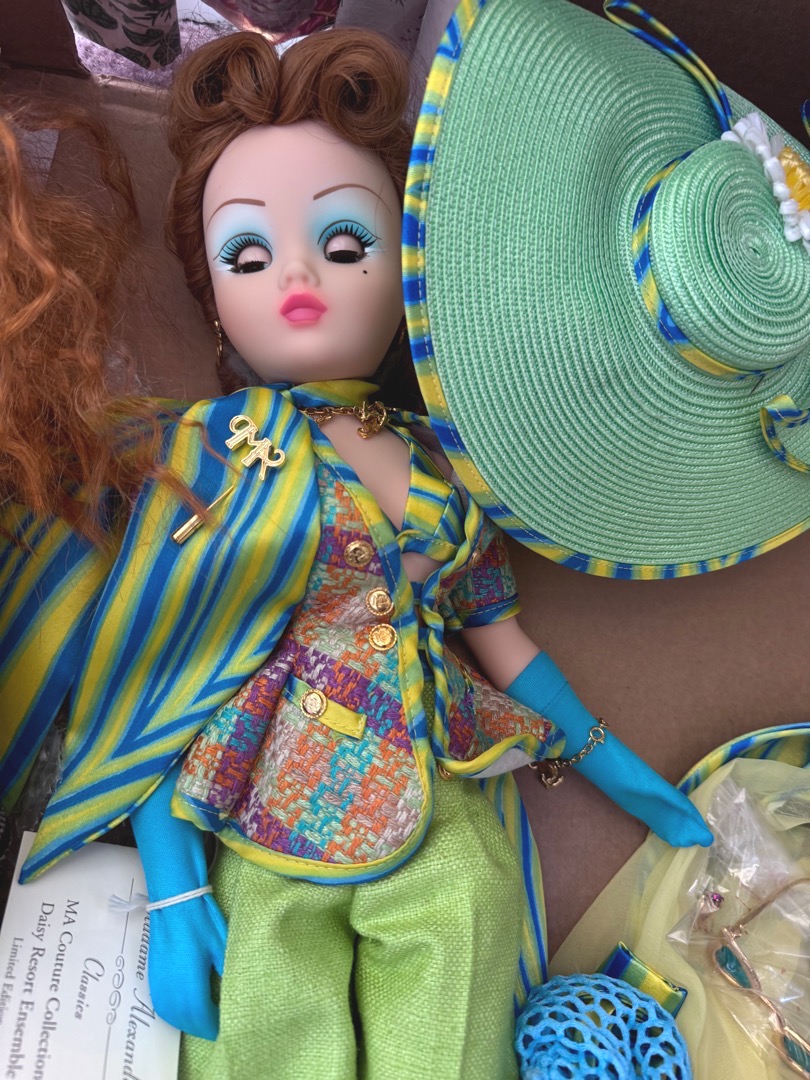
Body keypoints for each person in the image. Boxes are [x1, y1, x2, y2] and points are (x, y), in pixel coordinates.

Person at [9, 26, 709, 1080]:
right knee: (265, 1040)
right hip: (263, 816)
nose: (296, 273)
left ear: (409, 274)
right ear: (212, 294)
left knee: (454, 1020)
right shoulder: (207, 457)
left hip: (440, 805)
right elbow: (156, 675)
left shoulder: (448, 463)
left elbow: (504, 646)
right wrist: (174, 885)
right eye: (248, 255)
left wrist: (615, 765)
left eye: (344, 243)